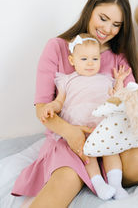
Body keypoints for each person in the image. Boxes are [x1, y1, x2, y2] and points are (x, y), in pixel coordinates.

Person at [12, 0, 138, 208]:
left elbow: (133, 99)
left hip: (108, 139)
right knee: (64, 181)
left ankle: (102, 178)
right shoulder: (57, 48)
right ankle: (84, 175)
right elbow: (42, 108)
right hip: (69, 139)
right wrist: (71, 133)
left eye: (116, 24)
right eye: (103, 18)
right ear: (90, 11)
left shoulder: (119, 59)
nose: (107, 29)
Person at [40, 33, 131, 200]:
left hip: (103, 125)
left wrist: (119, 81)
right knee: (87, 155)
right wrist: (52, 106)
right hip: (80, 127)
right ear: (72, 60)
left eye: (94, 59)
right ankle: (99, 185)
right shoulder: (66, 80)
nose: (90, 63)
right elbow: (59, 101)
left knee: (111, 151)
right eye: (84, 59)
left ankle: (116, 186)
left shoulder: (105, 79)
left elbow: (116, 96)